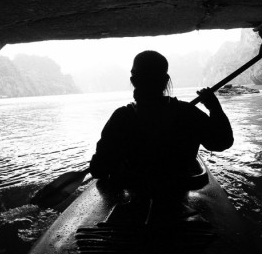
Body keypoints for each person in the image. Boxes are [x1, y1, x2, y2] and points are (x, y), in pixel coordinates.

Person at [89, 50, 233, 194]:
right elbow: (222, 142)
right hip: (177, 197)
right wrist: (215, 107)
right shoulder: (188, 113)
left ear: (134, 81)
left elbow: (98, 169)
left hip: (138, 199)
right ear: (165, 80)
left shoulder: (121, 117)